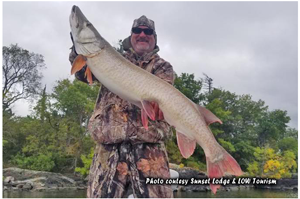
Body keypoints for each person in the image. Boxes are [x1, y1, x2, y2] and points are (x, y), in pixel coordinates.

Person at [69, 15, 175, 198]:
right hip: (108, 151)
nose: (142, 34)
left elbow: (162, 104)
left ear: (154, 38)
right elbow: (82, 75)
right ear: (131, 36)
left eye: (148, 31)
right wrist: (77, 47)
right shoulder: (108, 57)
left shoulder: (162, 67)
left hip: (150, 152)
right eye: (137, 31)